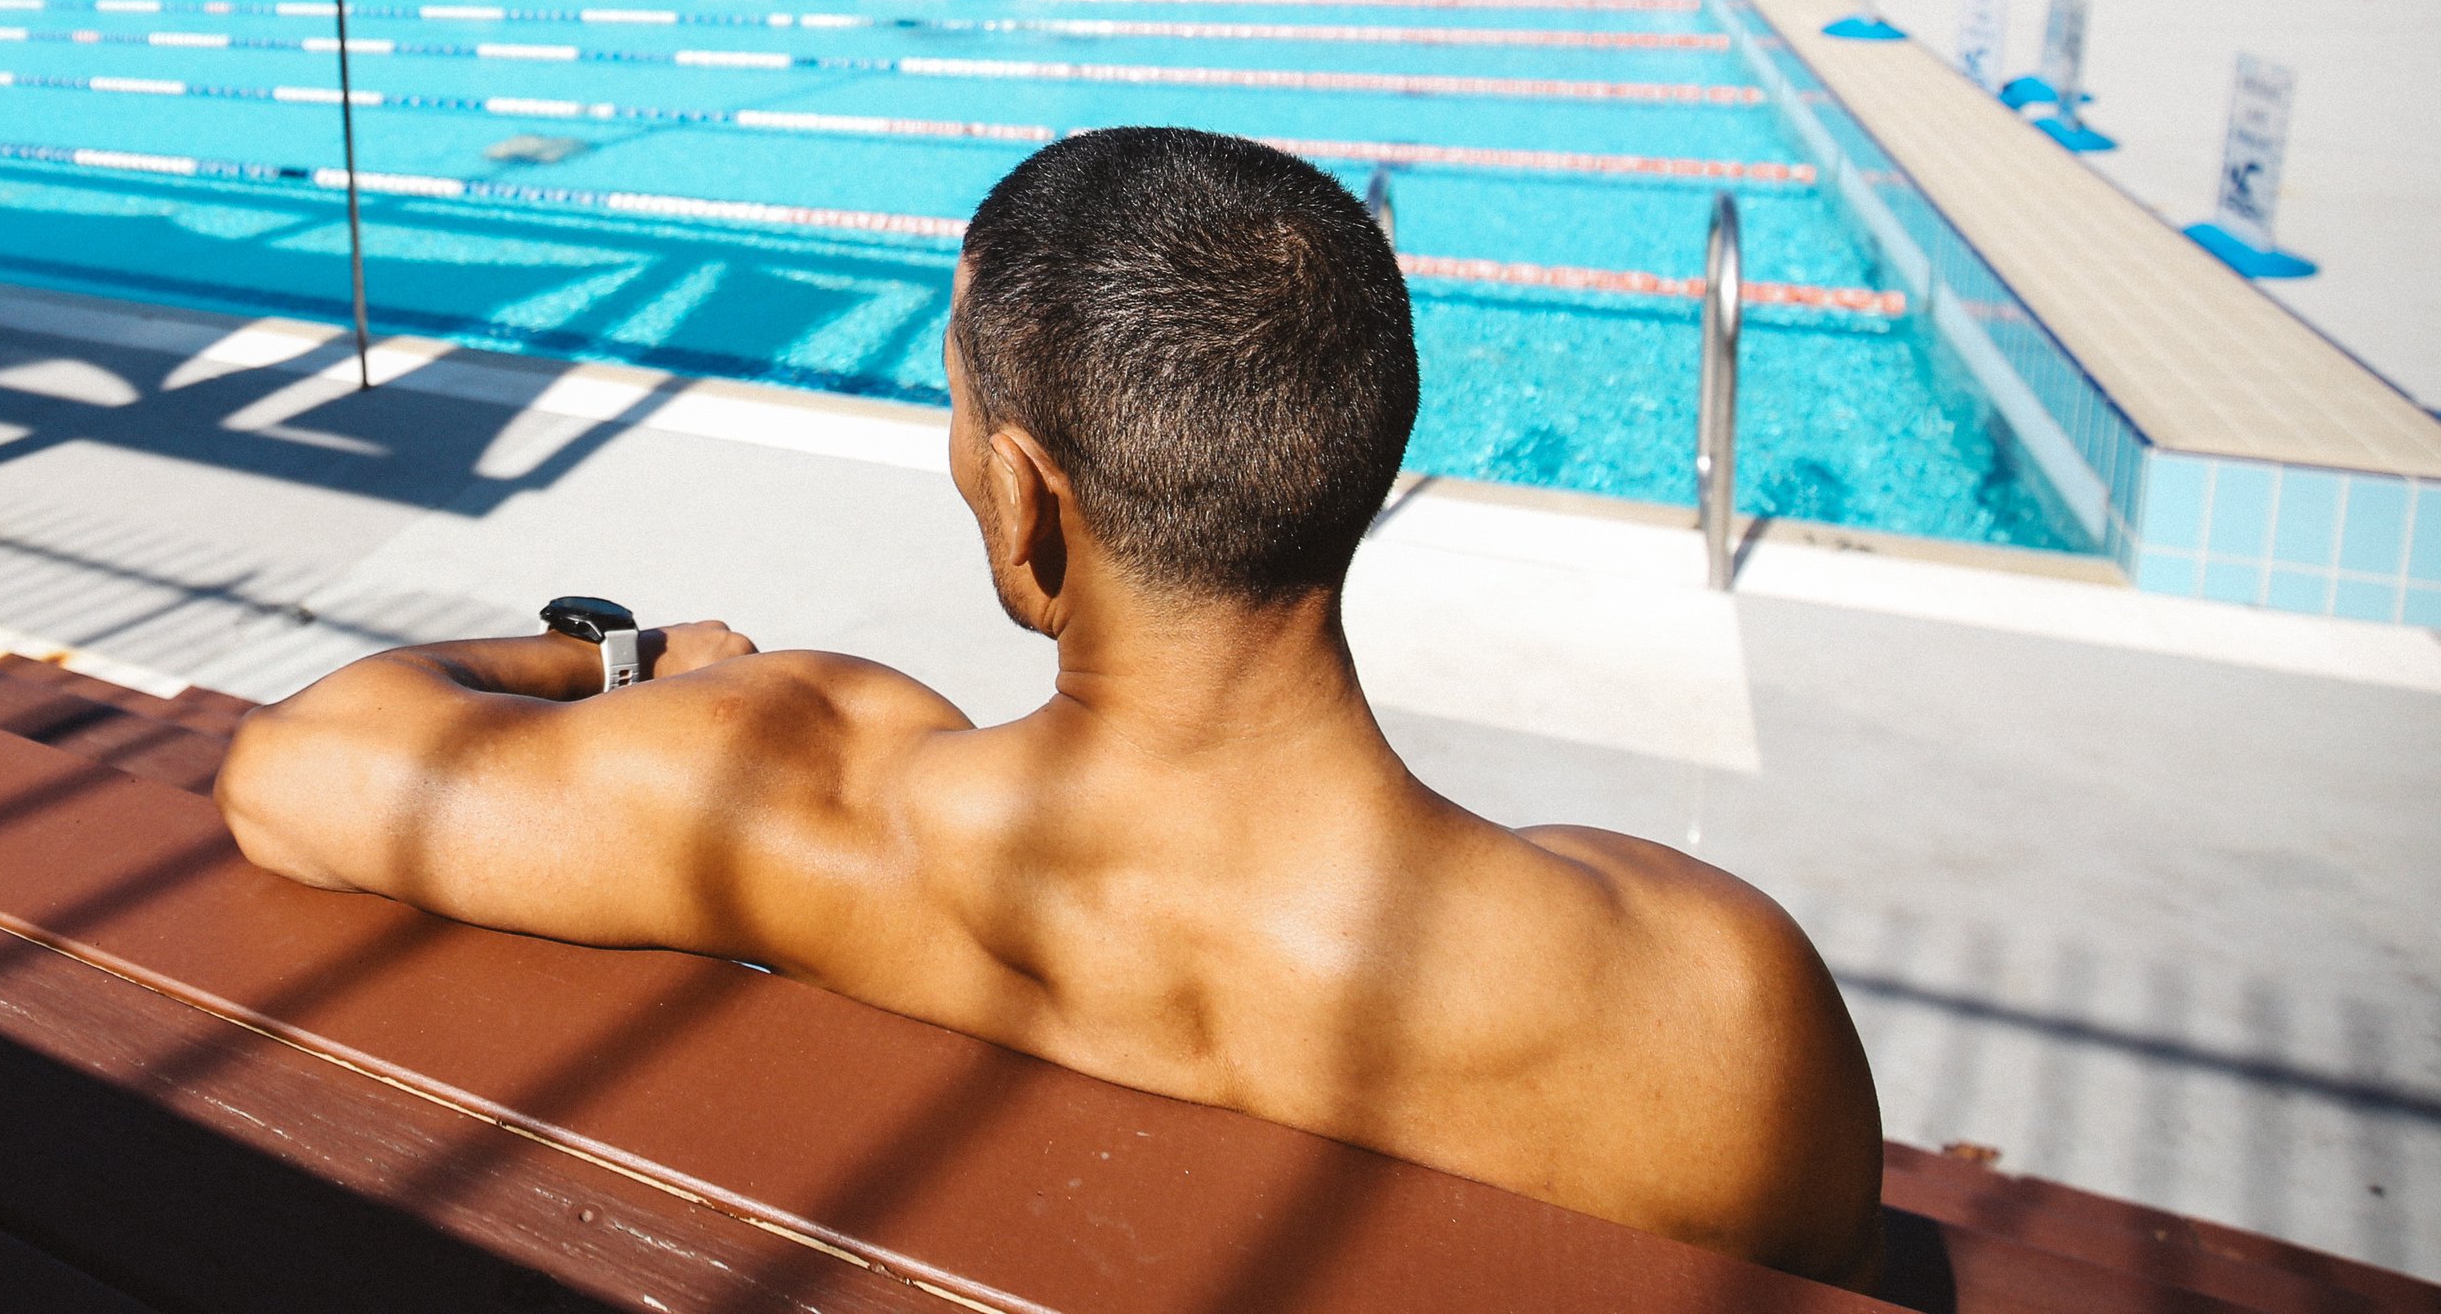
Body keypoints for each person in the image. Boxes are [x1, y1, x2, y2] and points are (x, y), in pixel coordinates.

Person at [217, 126, 1885, 1284]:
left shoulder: (808, 793)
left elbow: (297, 772)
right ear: (1348, 474)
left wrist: (629, 660)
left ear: (1026, 501)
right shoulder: (1717, 1003)